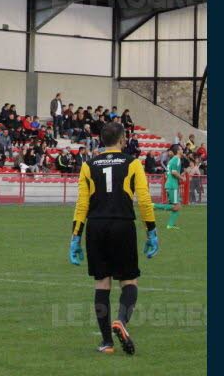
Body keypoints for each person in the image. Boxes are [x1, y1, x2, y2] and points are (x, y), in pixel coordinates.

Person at [68, 121, 158, 356]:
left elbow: (82, 204)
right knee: (129, 281)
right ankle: (121, 321)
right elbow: (145, 200)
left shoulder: (88, 165)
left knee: (101, 283)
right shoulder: (133, 163)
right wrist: (151, 231)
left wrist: (75, 237)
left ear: (101, 141)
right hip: (122, 224)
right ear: (122, 139)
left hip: (96, 227)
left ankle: (107, 343)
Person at [153, 145, 184, 230]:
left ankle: (170, 225)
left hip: (170, 184)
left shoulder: (171, 160)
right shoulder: (177, 159)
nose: (182, 150)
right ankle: (153, 205)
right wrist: (182, 178)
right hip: (172, 185)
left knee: (176, 206)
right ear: (178, 151)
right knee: (177, 206)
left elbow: (169, 173)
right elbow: (174, 172)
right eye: (181, 149)